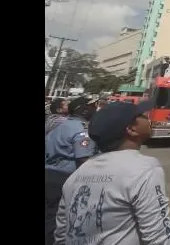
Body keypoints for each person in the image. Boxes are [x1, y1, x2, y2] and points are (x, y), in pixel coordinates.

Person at [54, 101, 170, 245]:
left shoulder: (76, 175)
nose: (147, 116)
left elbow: (61, 235)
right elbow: (159, 236)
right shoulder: (144, 169)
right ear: (131, 129)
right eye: (141, 115)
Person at [45, 96, 98, 244]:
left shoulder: (61, 126)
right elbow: (83, 159)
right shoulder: (80, 129)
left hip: (49, 173)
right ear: (84, 110)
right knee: (59, 219)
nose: (95, 108)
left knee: (49, 216)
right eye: (92, 106)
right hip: (64, 178)